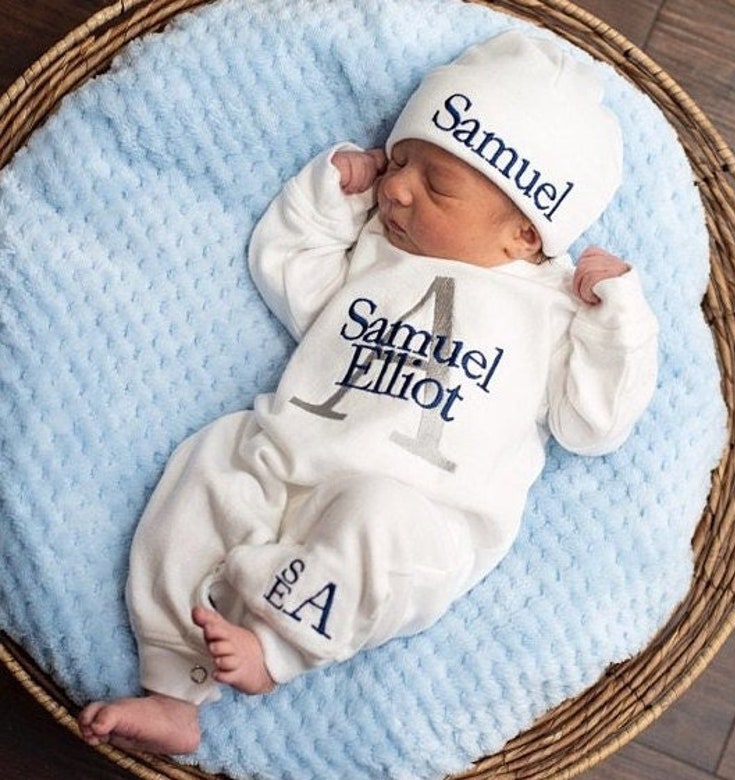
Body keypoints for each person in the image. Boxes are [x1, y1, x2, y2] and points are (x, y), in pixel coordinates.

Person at [79, 30, 658, 755]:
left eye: (434, 184)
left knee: (374, 523)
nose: (397, 187)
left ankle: (278, 647)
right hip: (290, 453)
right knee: (211, 464)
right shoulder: (378, 252)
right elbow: (288, 270)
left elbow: (594, 422)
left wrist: (620, 323)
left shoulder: (554, 308)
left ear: (523, 232)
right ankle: (171, 684)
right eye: (401, 159)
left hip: (421, 507)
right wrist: (328, 197)